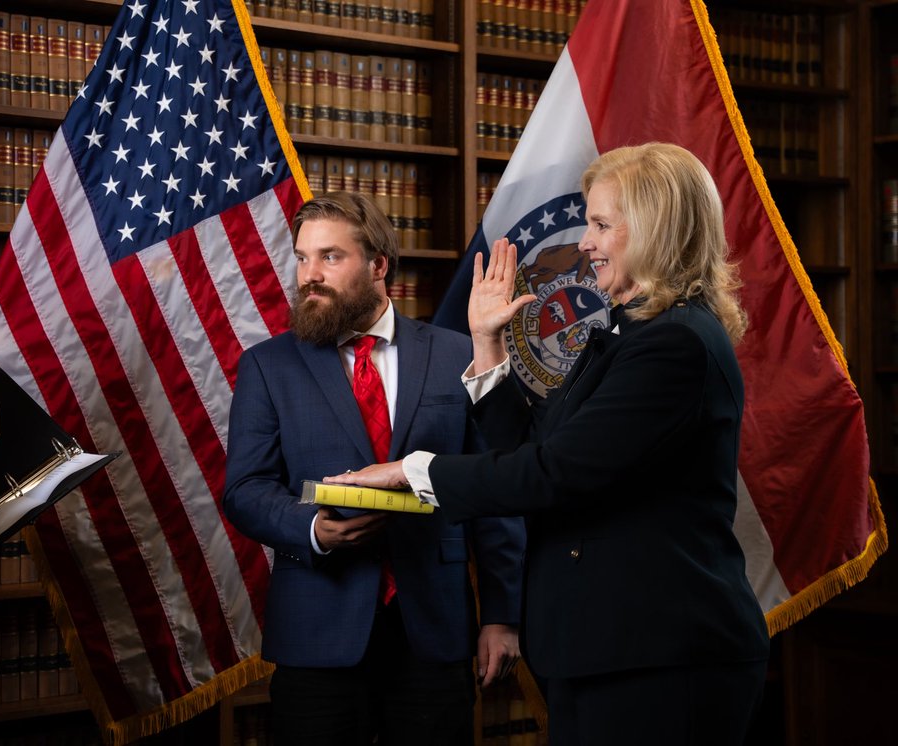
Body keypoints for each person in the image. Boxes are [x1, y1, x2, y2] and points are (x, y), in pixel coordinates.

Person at [331, 143, 771, 744]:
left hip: (660, 655)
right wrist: (488, 344)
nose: (585, 242)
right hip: (608, 647)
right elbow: (539, 443)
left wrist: (411, 473)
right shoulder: (630, 333)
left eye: (600, 224)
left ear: (655, 229)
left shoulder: (675, 345)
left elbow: (552, 473)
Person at [223, 191, 526, 746]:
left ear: (378, 265)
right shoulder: (268, 366)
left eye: (330, 257)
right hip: (317, 631)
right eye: (302, 257)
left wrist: (501, 616)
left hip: (434, 631)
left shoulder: (458, 353)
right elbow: (244, 489)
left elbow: (496, 490)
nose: (309, 275)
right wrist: (312, 530)